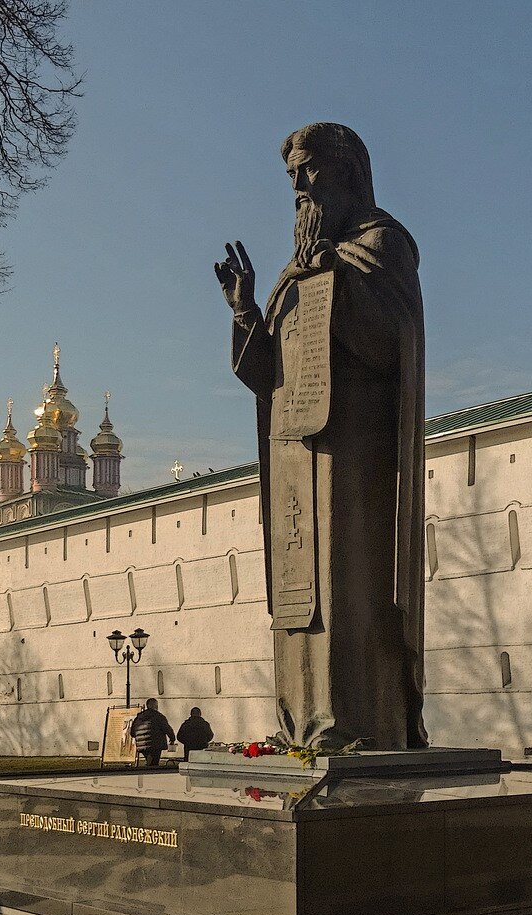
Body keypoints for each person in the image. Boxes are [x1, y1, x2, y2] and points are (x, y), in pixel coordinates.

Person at [215, 123, 426, 750]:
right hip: (291, 454)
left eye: (310, 171)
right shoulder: (295, 269)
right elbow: (264, 373)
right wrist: (246, 310)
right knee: (296, 593)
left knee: (344, 587)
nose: (300, 189)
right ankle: (299, 722)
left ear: (348, 173)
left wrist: (330, 268)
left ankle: (357, 721)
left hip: (351, 451)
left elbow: (392, 339)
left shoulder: (382, 243)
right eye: (292, 178)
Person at [130, 698, 175, 768]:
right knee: (154, 764)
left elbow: (132, 733)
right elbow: (167, 728)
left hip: (142, 745)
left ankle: (148, 762)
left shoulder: (138, 718)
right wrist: (172, 739)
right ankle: (151, 772)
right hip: (155, 744)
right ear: (156, 706)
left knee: (150, 761)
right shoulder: (158, 716)